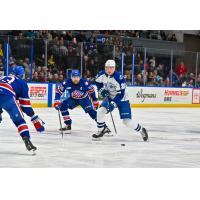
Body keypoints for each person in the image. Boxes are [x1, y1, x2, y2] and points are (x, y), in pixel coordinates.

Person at [92, 59, 149, 141]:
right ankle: (101, 130)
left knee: (126, 122)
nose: (109, 70)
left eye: (111, 68)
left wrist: (113, 104)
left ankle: (142, 130)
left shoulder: (119, 78)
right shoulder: (101, 74)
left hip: (123, 100)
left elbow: (121, 94)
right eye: (107, 67)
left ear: (114, 68)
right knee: (100, 111)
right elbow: (97, 82)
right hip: (111, 96)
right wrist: (101, 89)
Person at [0, 66, 45, 153]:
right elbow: (25, 105)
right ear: (22, 75)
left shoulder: (2, 77)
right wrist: (33, 116)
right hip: (7, 96)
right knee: (19, 121)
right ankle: (26, 140)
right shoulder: (22, 82)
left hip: (4, 92)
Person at [54, 69, 109, 134]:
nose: (76, 79)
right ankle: (68, 125)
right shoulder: (66, 82)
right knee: (63, 106)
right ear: (71, 77)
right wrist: (57, 101)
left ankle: (104, 127)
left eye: (77, 77)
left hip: (84, 99)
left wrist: (95, 101)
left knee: (91, 112)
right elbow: (59, 91)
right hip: (73, 99)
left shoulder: (84, 83)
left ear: (80, 77)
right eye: (74, 77)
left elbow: (92, 91)